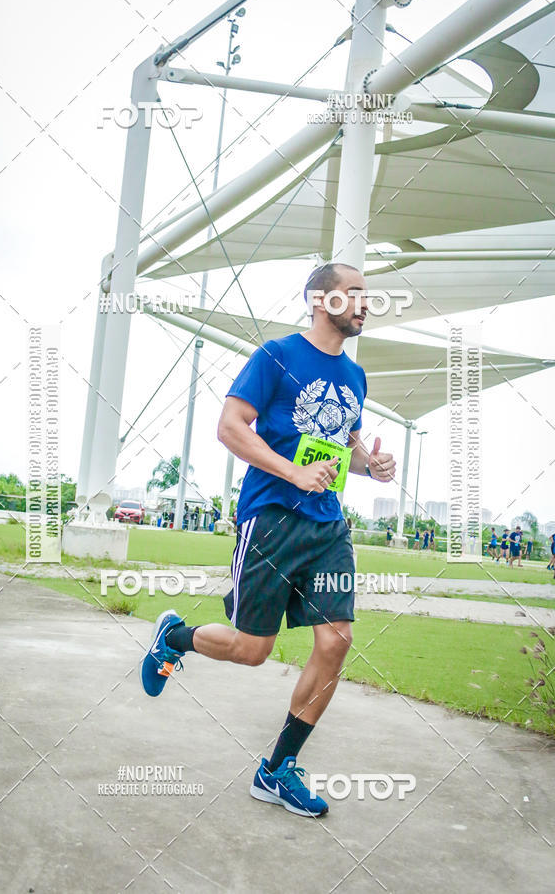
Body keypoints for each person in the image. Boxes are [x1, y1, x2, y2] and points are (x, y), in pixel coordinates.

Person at [140, 263, 396, 818]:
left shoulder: (355, 376)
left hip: (327, 526)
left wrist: (369, 463)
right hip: (272, 518)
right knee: (253, 650)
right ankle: (173, 638)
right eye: (352, 295)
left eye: (366, 297)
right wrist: (291, 472)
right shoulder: (276, 355)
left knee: (336, 640)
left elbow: (341, 440)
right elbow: (231, 427)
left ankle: (277, 769)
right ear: (318, 300)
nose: (364, 305)